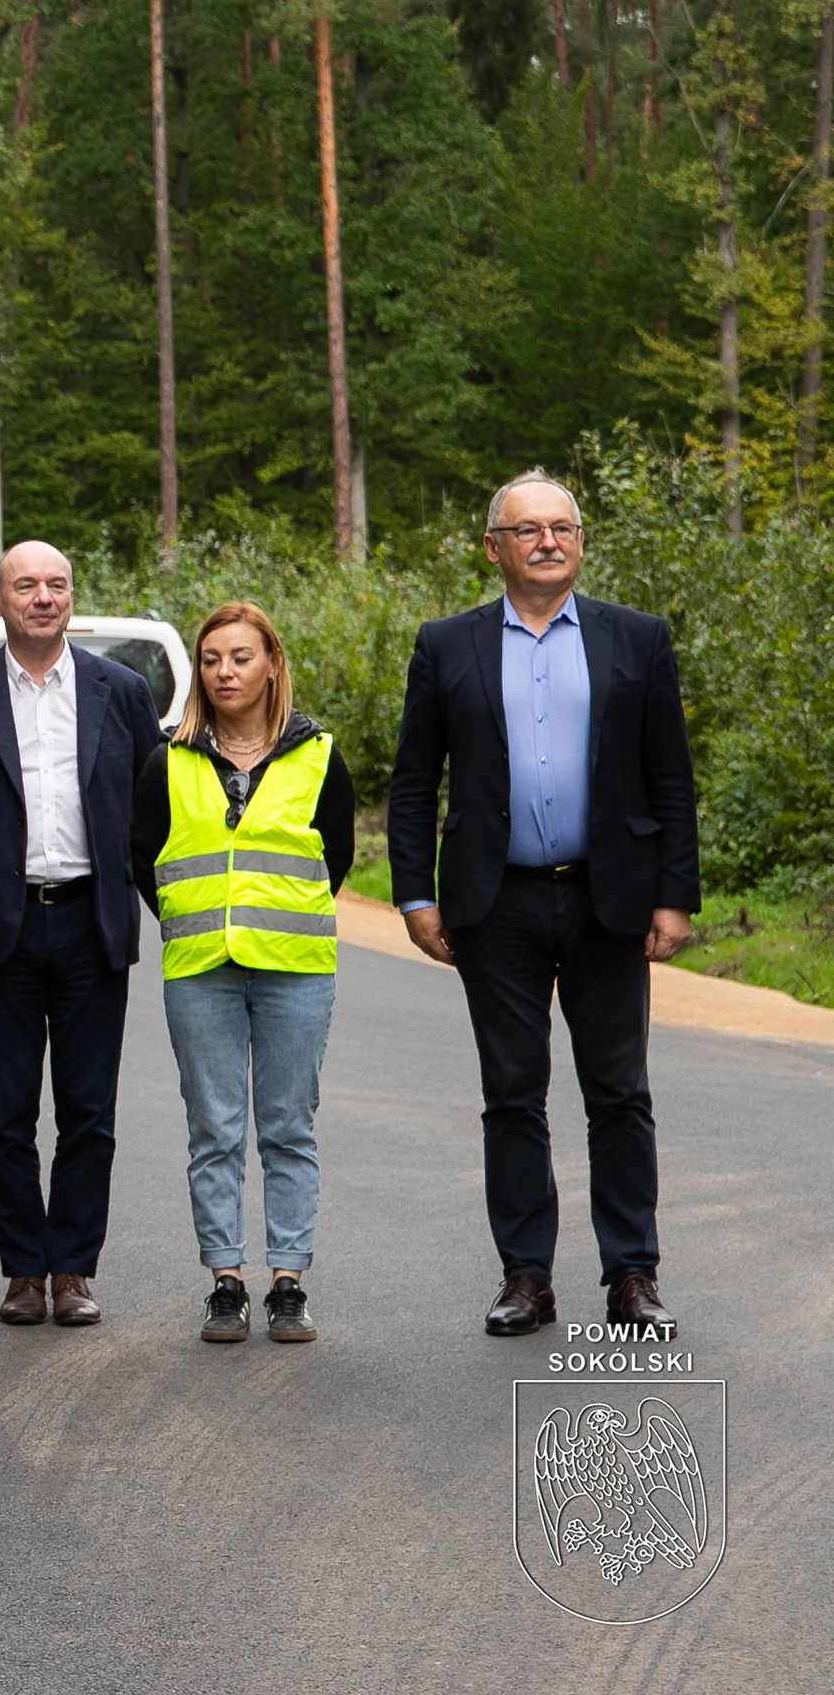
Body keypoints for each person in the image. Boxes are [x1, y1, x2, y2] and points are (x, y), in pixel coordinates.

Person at [389, 471, 698, 1337]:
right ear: (494, 548)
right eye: (528, 529)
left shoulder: (636, 639)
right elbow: (414, 783)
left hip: (611, 901)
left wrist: (675, 896)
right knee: (514, 1094)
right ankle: (526, 1277)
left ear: (581, 541)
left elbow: (671, 777)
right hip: (497, 905)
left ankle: (632, 1276)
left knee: (619, 1093)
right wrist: (415, 895)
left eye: (562, 526)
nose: (548, 541)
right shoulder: (446, 646)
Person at [0, 541, 164, 1328]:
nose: (43, 597)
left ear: (71, 598)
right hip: (2, 931)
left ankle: (73, 1271)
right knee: (8, 1112)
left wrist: (166, 911)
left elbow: (154, 810)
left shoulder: (121, 691)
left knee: (90, 1111)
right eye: (26, 585)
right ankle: (23, 1269)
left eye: (57, 584)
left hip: (94, 924)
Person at [131, 603, 355, 1344]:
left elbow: (338, 858)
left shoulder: (319, 755)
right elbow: (145, 859)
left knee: (288, 1127)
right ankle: (225, 1281)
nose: (224, 671)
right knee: (215, 1129)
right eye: (212, 659)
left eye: (240, 657)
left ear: (272, 665)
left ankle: (287, 1281)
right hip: (200, 969)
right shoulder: (168, 758)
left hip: (295, 968)